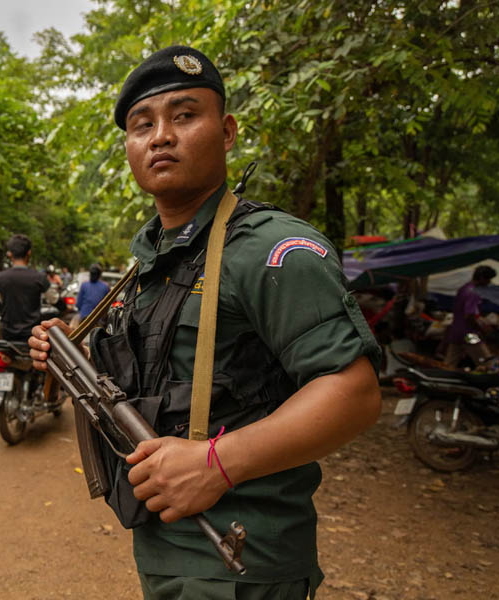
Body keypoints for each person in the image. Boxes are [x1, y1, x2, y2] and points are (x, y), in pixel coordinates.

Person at [29, 45, 381, 599]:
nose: (161, 136)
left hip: (243, 556)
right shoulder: (149, 263)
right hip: (167, 547)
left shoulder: (270, 249)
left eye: (184, 115)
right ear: (129, 147)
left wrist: (217, 463)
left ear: (227, 131)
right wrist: (64, 354)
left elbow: (354, 392)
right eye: (142, 125)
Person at [0, 234, 50, 342]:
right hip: (32, 335)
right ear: (29, 252)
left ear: (9, 254)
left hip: (7, 335)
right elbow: (54, 299)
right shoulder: (39, 278)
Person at [443, 265, 497, 367]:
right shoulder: (474, 292)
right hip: (469, 335)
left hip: (456, 332)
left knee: (449, 363)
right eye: (488, 279)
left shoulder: (464, 288)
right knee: (487, 362)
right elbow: (470, 316)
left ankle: (439, 378)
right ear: (481, 278)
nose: (488, 283)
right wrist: (481, 330)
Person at [71, 263, 110, 328]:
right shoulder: (105, 286)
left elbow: (78, 304)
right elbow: (108, 305)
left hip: (85, 317)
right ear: (99, 274)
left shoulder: (84, 285)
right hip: (98, 319)